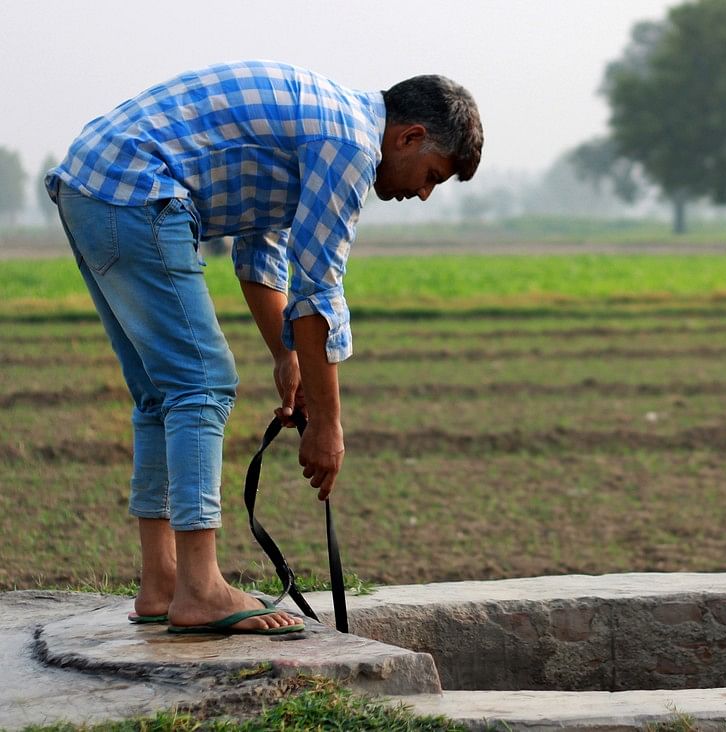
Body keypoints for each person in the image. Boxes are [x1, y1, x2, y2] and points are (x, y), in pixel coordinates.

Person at [45, 60, 482, 635]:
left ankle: (164, 582)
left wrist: (286, 356)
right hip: (137, 186)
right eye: (432, 175)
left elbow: (261, 253)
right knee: (201, 384)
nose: (424, 194)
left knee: (160, 394)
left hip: (95, 182)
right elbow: (320, 289)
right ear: (410, 137)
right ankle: (200, 590)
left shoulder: (323, 123)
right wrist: (327, 425)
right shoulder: (348, 146)